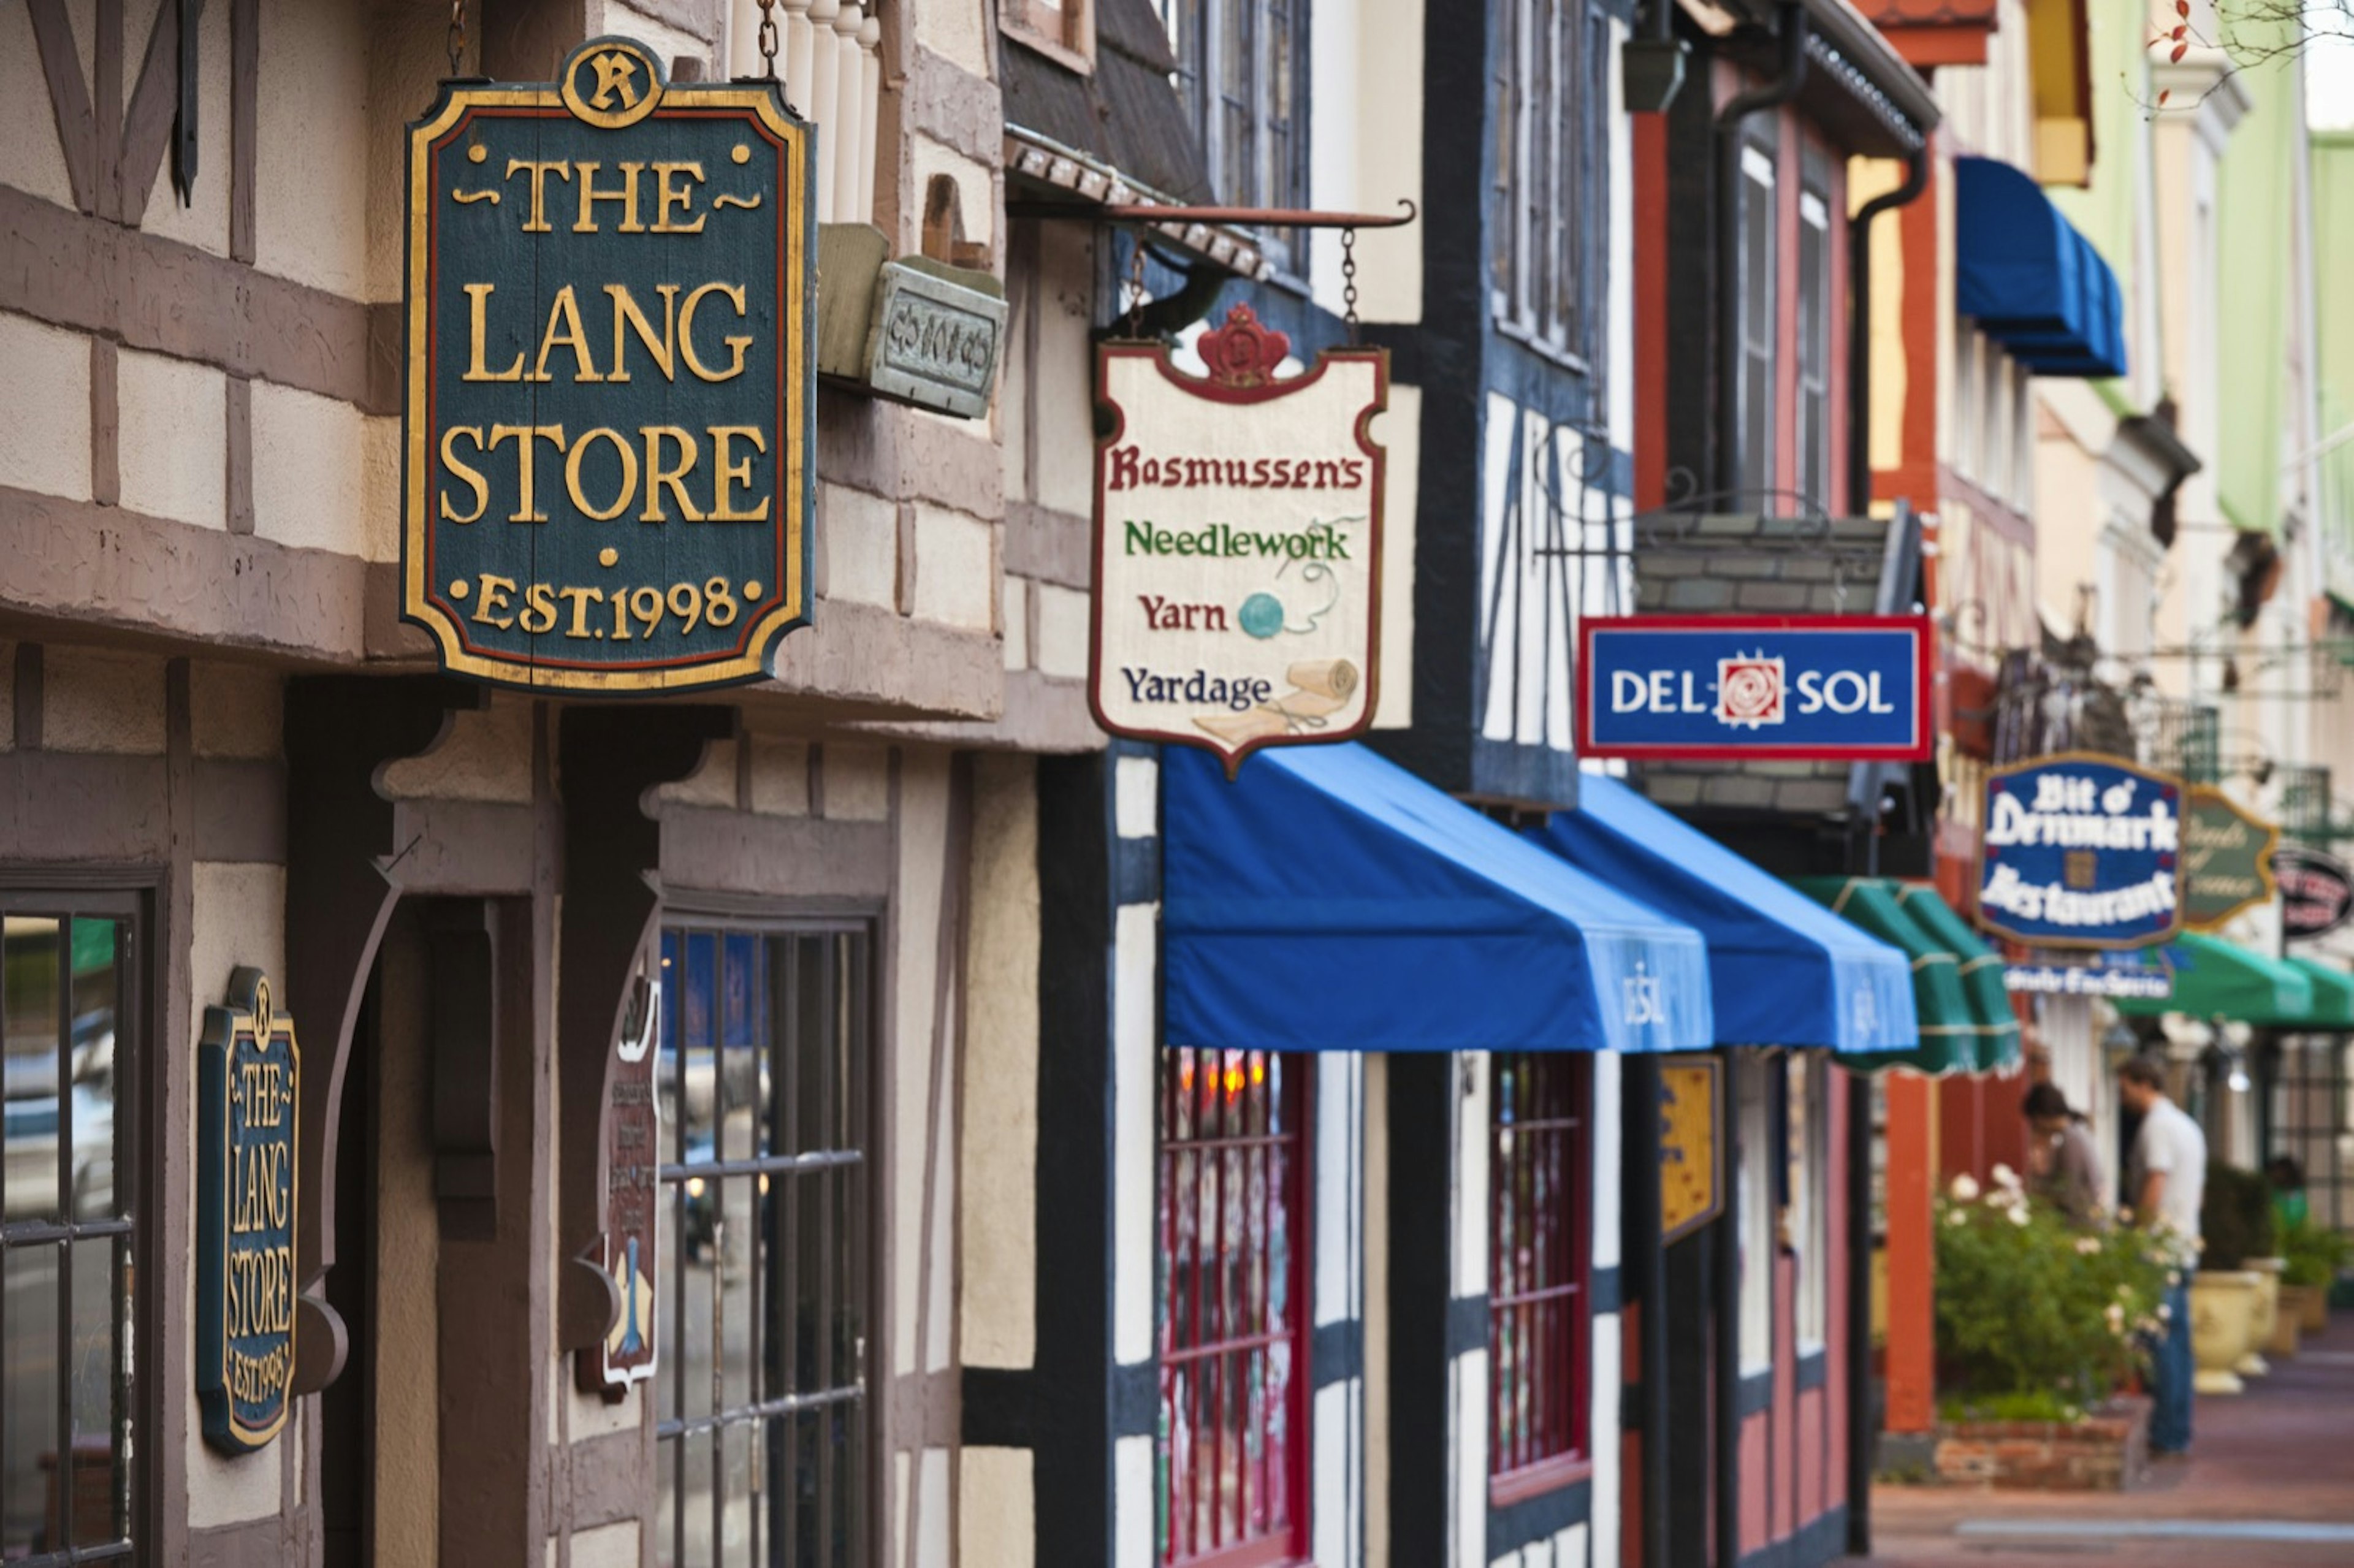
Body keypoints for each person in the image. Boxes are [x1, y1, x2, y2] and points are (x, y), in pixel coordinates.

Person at [2119, 1054, 2206, 1458]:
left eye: (2124, 1089)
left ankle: (2169, 1434)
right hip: (2184, 1243)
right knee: (2180, 1345)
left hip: (2161, 1248)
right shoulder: (2186, 1125)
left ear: (2141, 1083)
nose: (2123, 1099)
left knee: (2163, 1344)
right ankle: (2178, 1428)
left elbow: (2156, 1178)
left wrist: (2139, 1232)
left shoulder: (2157, 1127)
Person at [2023, 1081, 2105, 1228]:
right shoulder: (2076, 1133)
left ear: (2040, 1117)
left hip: (2083, 1227)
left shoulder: (2072, 1140)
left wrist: (2040, 1179)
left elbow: (2068, 1190)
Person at [2267, 1154, 2309, 1234]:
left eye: (2278, 1171)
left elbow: (2303, 1219)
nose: (2274, 1175)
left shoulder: (2298, 1195)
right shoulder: (2273, 1193)